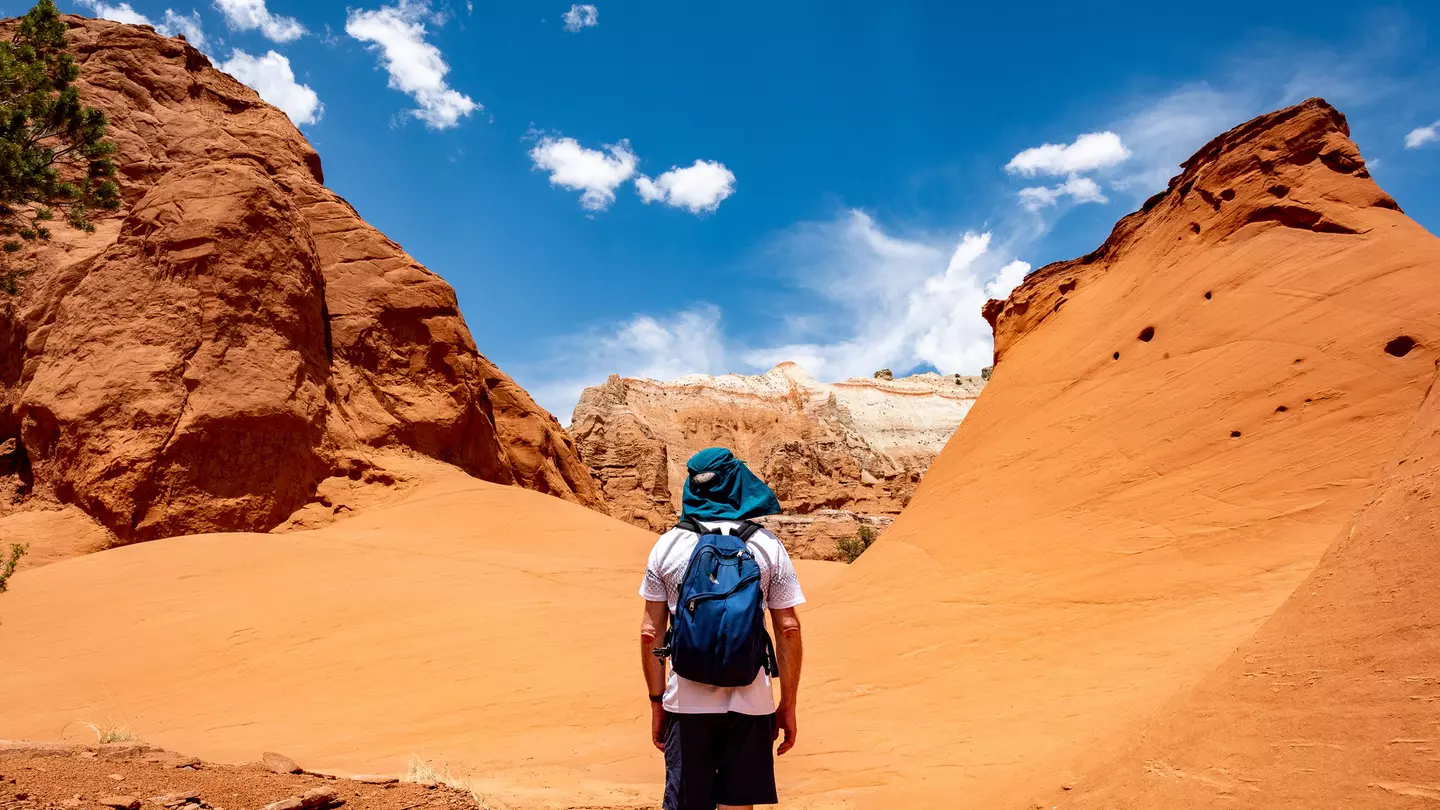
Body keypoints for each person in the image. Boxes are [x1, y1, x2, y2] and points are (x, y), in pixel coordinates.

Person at [639, 447, 805, 810]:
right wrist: (787, 704)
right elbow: (788, 628)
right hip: (753, 700)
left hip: (685, 701)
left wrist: (656, 704)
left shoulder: (667, 546)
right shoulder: (766, 545)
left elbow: (650, 633)